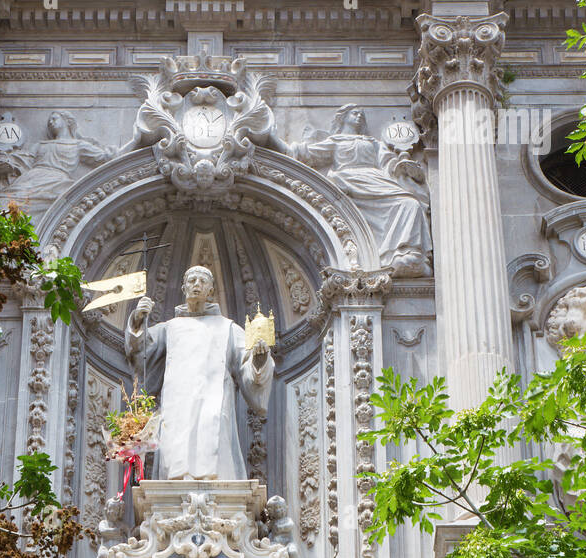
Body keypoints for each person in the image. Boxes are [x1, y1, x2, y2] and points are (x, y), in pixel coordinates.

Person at [125, 265, 273, 481]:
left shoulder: (228, 328)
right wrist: (138, 320)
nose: (197, 285)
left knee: (212, 439)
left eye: (202, 281)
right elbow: (141, 354)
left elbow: (248, 363)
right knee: (176, 449)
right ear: (183, 287)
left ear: (211, 290)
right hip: (177, 403)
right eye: (192, 280)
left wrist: (259, 360)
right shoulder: (169, 328)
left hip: (213, 402)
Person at [292, 106, 432, 276]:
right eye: (354, 113)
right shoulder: (337, 140)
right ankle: (392, 255)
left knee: (410, 204)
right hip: (347, 179)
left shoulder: (372, 143)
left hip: (375, 179)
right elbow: (308, 154)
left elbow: (388, 163)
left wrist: (403, 167)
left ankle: (406, 252)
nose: (359, 116)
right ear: (343, 118)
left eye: (361, 114)